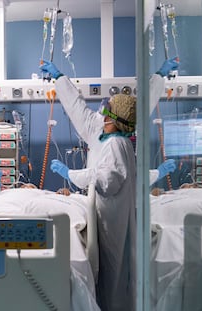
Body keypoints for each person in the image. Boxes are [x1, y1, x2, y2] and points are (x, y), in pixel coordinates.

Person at [40, 58, 179, 311]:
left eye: (106, 110)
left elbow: (108, 179)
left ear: (113, 117)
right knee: (119, 268)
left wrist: (72, 174)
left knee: (114, 271)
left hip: (111, 213)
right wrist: (59, 78)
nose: (102, 111)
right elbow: (75, 105)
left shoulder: (115, 141)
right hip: (114, 210)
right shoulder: (110, 134)